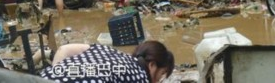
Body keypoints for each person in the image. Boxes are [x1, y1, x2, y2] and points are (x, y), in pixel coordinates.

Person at [40, 40, 174, 83]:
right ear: (152, 65)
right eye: (161, 75)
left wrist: (56, 74)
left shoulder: (108, 51)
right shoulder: (140, 79)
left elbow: (63, 49)